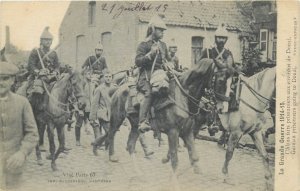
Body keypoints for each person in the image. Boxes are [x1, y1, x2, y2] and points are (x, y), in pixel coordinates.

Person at [0, 61, 38, 189]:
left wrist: (22, 153)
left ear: (12, 80)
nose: (1, 83)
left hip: (14, 165)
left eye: (5, 79)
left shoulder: (22, 103)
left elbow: (32, 133)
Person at [27, 26, 61, 150]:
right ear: (41, 41)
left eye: (50, 40)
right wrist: (38, 71)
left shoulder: (54, 53)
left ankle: (66, 112)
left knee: (64, 89)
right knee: (36, 89)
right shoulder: (35, 51)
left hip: (51, 78)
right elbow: (29, 66)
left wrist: (56, 72)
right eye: (46, 40)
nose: (48, 42)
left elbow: (58, 66)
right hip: (38, 78)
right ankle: (34, 110)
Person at [135, 15, 170, 133]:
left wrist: (170, 65)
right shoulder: (144, 44)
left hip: (160, 74)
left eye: (163, 30)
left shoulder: (163, 45)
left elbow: (167, 60)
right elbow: (138, 61)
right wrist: (150, 54)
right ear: (153, 29)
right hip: (146, 75)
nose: (163, 32)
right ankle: (142, 121)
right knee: (149, 93)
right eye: (160, 30)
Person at [198, 24, 236, 113]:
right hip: (210, 79)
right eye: (219, 38)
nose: (221, 40)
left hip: (224, 80)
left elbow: (231, 68)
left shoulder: (228, 53)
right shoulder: (209, 51)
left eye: (223, 38)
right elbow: (201, 65)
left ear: (226, 40)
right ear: (216, 38)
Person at [89, 71, 117, 155]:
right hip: (103, 114)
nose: (108, 78)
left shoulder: (115, 87)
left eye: (110, 76)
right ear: (103, 78)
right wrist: (92, 118)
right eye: (106, 77)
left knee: (110, 133)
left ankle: (96, 143)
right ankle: (111, 153)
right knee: (110, 133)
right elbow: (94, 104)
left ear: (112, 78)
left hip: (112, 114)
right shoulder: (99, 89)